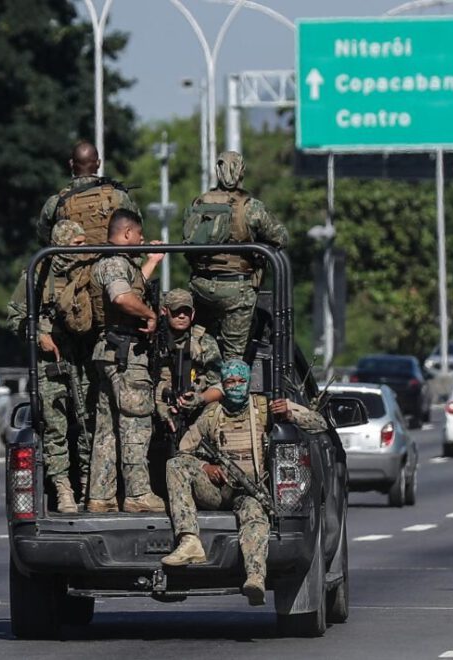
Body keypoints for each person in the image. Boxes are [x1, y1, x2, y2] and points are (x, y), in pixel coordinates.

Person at [160, 359, 327, 607]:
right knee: (175, 466)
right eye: (230, 382)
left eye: (241, 381)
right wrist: (206, 467)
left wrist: (289, 413)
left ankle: (255, 577)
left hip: (250, 492)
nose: (236, 386)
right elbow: (183, 452)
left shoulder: (264, 409)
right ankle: (189, 540)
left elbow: (319, 424)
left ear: (248, 382)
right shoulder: (212, 414)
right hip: (217, 490)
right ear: (223, 385)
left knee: (254, 516)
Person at [86, 209, 166, 513]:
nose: (143, 240)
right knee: (135, 423)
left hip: (109, 352)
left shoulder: (108, 261)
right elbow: (121, 297)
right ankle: (138, 494)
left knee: (107, 429)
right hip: (125, 355)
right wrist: (149, 314)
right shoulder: (117, 262)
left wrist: (151, 263)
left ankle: (101, 495)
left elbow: (128, 288)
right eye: (140, 235)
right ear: (128, 233)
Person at [6, 220, 89, 513]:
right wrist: (38, 335)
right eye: (77, 244)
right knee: (55, 426)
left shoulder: (88, 270)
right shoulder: (39, 273)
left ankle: (89, 486)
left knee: (87, 424)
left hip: (83, 360)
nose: (83, 249)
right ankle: (63, 489)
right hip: (51, 362)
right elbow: (15, 316)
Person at [183, 151, 289, 360]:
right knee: (234, 356)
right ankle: (232, 387)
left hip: (201, 287)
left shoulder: (198, 203)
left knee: (199, 336)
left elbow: (187, 242)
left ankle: (196, 346)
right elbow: (281, 237)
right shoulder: (250, 207)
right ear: (241, 172)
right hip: (237, 290)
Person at [37, 141, 141, 246]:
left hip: (72, 261)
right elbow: (137, 229)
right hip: (113, 260)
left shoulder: (55, 203)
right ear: (98, 163)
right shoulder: (119, 196)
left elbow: (44, 238)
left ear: (71, 164)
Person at [154, 287, 224, 440]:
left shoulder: (204, 342)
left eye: (186, 312)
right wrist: (159, 405)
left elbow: (219, 386)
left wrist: (199, 399)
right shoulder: (154, 340)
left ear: (192, 314)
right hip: (157, 407)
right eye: (176, 311)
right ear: (165, 311)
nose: (181, 316)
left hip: (196, 411)